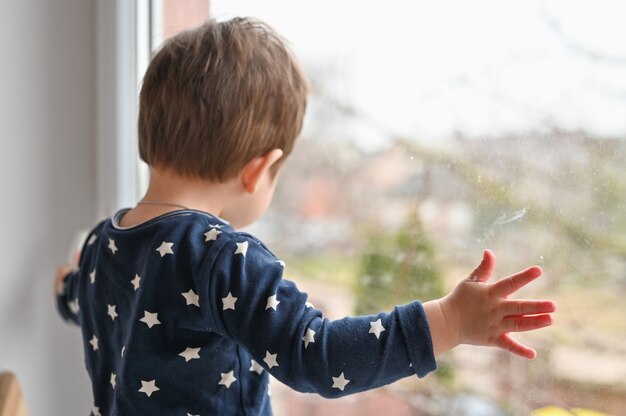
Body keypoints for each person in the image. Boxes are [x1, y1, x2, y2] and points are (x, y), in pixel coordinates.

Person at [54, 17, 556, 416]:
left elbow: (82, 299)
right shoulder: (220, 257)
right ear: (259, 171)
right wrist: (447, 321)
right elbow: (319, 357)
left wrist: (64, 285)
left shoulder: (105, 242)